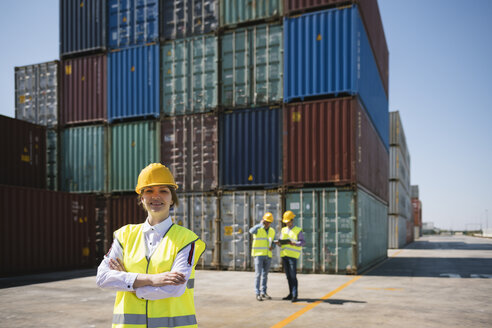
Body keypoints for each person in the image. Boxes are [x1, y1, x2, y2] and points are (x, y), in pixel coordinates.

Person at [96, 163, 206, 328]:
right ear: (141, 198)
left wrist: (129, 283)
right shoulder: (124, 235)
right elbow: (103, 278)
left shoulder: (186, 239)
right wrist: (152, 279)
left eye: (163, 191)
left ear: (172, 198)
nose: (156, 196)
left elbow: (174, 289)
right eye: (149, 191)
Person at [276, 210, 305, 303]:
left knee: (293, 276)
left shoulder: (297, 230)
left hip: (292, 256)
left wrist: (294, 243)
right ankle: (290, 294)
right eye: (285, 222)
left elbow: (303, 242)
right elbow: (281, 241)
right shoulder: (283, 230)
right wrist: (278, 243)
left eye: (288, 221)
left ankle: (295, 295)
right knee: (288, 276)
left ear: (292, 220)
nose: (286, 223)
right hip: (284, 255)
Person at [249, 212, 276, 301]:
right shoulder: (258, 229)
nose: (267, 223)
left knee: (265, 275)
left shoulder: (272, 231)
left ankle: (264, 292)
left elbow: (273, 241)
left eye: (269, 222)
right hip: (258, 255)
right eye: (266, 221)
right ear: (263, 220)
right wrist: (260, 224)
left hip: (268, 255)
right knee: (258, 274)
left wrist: (273, 246)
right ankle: (257, 293)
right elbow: (251, 231)